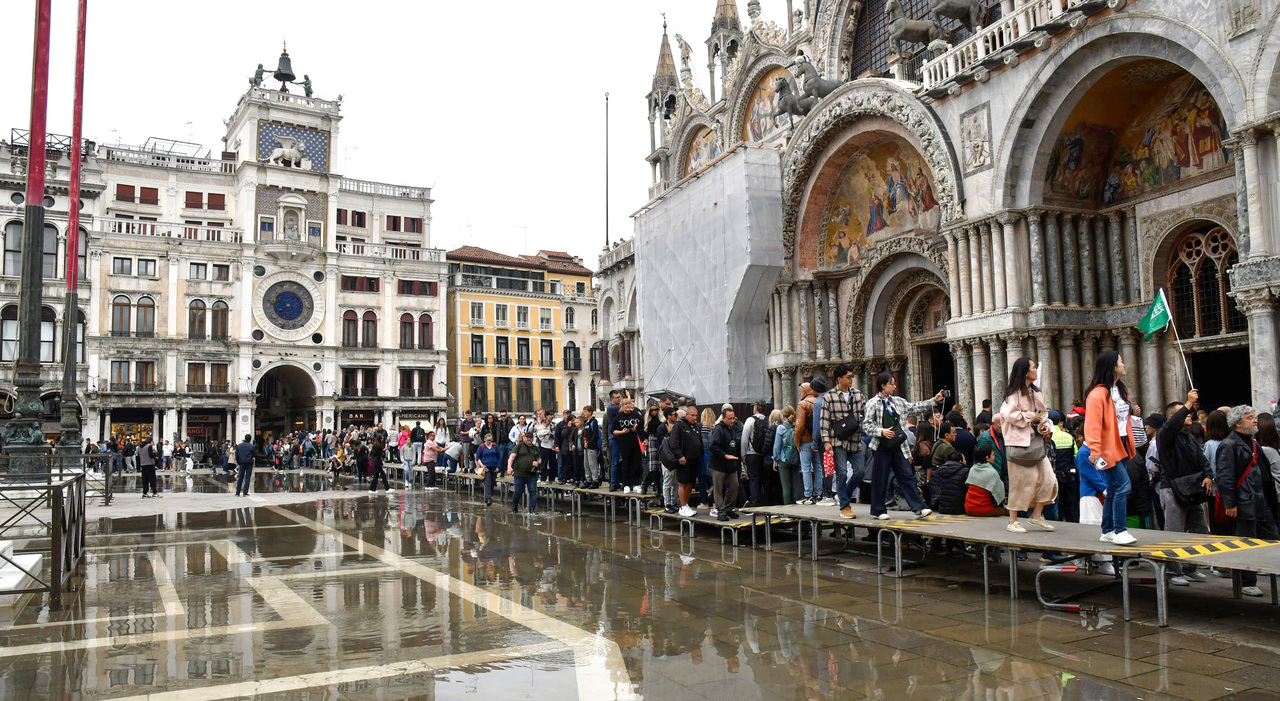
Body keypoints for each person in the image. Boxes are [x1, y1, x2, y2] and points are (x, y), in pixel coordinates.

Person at [861, 372, 943, 520]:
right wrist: (881, 431)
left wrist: (933, 401)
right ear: (882, 385)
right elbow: (866, 425)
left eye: (894, 383)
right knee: (881, 477)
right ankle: (878, 510)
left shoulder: (898, 401)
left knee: (906, 475)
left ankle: (919, 507)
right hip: (881, 445)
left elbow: (914, 408)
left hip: (898, 444)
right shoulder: (873, 403)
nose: (894, 386)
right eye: (891, 383)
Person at [1216, 406, 1280, 597]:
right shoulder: (1229, 444)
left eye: (1254, 417)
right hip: (1243, 502)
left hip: (1261, 502)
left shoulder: (1253, 443)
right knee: (1246, 542)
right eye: (1250, 418)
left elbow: (1264, 473)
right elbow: (1225, 476)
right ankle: (1247, 581)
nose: (1254, 421)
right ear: (1238, 423)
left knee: (1272, 537)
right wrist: (1230, 504)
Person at [1154, 391, 1214, 586]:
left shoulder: (1189, 437)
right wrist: (1188, 402)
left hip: (1192, 490)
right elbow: (1171, 425)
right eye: (1184, 412)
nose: (1189, 414)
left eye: (1189, 411)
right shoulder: (1165, 435)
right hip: (1172, 489)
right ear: (1172, 418)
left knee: (1200, 530)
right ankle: (1172, 571)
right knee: (1174, 533)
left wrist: (1208, 475)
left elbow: (1202, 459)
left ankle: (1191, 567)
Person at [1083, 350, 1137, 545]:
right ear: (1112, 366)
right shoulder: (1098, 393)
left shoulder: (1121, 389)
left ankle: (1107, 530)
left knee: (1114, 488)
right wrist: (1095, 449)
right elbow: (1093, 423)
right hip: (1107, 446)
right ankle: (1120, 530)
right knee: (1123, 486)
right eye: (1121, 361)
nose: (1124, 365)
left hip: (1121, 443)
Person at [1000, 357, 1057, 534]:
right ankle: (1013, 521)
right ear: (1026, 371)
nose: (1036, 370)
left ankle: (1037, 515)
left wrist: (1046, 427)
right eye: (1034, 367)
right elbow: (1009, 415)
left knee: (1048, 480)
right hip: (1019, 444)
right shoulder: (1013, 394)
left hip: (1035, 443)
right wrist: (1031, 417)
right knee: (1020, 483)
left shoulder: (1035, 392)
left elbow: (1043, 414)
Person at [820, 365, 867, 519]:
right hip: (837, 440)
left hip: (855, 439)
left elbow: (865, 414)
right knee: (842, 473)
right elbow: (824, 420)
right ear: (839, 379)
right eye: (848, 377)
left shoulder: (858, 395)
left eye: (852, 376)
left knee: (860, 472)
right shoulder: (829, 396)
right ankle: (845, 506)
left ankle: (843, 493)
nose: (851, 379)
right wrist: (826, 441)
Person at [670, 407, 705, 517]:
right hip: (684, 460)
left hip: (695, 459)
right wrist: (680, 456)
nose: (694, 418)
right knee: (683, 482)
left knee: (690, 482)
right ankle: (683, 505)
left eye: (696, 415)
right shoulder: (679, 425)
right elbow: (674, 442)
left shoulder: (696, 426)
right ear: (687, 414)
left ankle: (687, 504)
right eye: (692, 415)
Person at [709, 408, 743, 521]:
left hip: (731, 464)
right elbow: (713, 446)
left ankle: (729, 508)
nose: (732, 420)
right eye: (729, 419)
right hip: (719, 464)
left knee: (734, 485)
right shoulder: (718, 429)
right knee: (718, 488)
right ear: (723, 418)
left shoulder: (733, 429)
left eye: (733, 418)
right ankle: (721, 511)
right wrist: (724, 455)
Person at [794, 380, 824, 505]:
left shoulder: (803, 404)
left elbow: (799, 425)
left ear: (804, 391)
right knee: (818, 467)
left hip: (806, 439)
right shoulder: (820, 402)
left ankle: (808, 495)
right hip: (819, 439)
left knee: (806, 468)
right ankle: (818, 494)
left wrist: (796, 440)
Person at [930, 422, 970, 515]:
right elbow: (953, 464)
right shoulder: (947, 448)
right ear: (946, 435)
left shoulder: (936, 444)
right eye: (953, 432)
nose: (955, 434)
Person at [1048, 411, 1079, 523]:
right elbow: (1076, 455)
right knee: (1072, 506)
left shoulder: (1048, 437)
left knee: (1057, 506)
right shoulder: (1069, 437)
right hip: (1070, 476)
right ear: (1060, 423)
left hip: (1054, 476)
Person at [610, 397, 644, 493]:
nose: (628, 407)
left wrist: (636, 430)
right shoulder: (618, 417)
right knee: (626, 464)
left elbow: (643, 427)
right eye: (626, 405)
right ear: (622, 406)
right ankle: (626, 484)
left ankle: (636, 484)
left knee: (636, 463)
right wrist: (622, 432)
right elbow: (613, 431)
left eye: (630, 405)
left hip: (636, 443)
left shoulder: (636, 416)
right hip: (624, 443)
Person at [741, 401, 771, 508]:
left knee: (754, 478)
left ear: (756, 407)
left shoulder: (750, 420)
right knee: (765, 478)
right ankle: (766, 501)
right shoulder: (768, 420)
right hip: (765, 453)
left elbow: (744, 439)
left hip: (752, 453)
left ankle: (755, 501)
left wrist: (743, 455)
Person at [965, 445, 1007, 517]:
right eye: (993, 455)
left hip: (968, 508)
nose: (994, 457)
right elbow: (1000, 495)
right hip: (984, 509)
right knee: (1005, 511)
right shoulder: (992, 472)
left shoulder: (972, 469)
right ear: (987, 458)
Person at [772, 407, 802, 507]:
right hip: (796, 458)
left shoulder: (781, 428)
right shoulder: (797, 426)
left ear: (783, 416)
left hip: (784, 459)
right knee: (796, 485)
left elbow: (777, 446)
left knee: (786, 487)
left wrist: (775, 459)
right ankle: (798, 508)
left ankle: (787, 510)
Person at [508, 430, 541, 513]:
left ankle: (532, 510)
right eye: (527, 437)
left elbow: (539, 459)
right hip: (519, 474)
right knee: (518, 491)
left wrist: (537, 462)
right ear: (524, 438)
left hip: (532, 474)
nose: (529, 439)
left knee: (533, 491)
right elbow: (512, 457)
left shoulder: (535, 448)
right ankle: (515, 506)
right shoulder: (519, 446)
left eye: (530, 437)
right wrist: (509, 467)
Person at [476, 433, 501, 506]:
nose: (489, 441)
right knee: (488, 482)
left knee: (492, 483)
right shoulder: (482, 447)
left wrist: (498, 467)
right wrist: (481, 465)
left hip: (494, 467)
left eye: (490, 440)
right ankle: (488, 498)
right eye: (488, 440)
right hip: (486, 467)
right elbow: (478, 458)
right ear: (485, 440)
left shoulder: (495, 446)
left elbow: (499, 457)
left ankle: (488, 496)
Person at [606, 390, 624, 490]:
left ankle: (619, 481)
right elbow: (625, 408)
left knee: (622, 461)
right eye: (617, 397)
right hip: (614, 438)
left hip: (622, 437)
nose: (619, 399)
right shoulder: (611, 408)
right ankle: (613, 483)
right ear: (612, 399)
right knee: (615, 461)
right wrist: (629, 398)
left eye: (619, 397)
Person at [581, 406, 602, 488]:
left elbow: (595, 435)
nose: (584, 414)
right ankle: (588, 480)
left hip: (592, 447)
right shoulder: (586, 423)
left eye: (586, 412)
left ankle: (595, 480)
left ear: (590, 412)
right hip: (585, 446)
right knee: (586, 464)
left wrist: (589, 443)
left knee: (592, 464)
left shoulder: (594, 422)